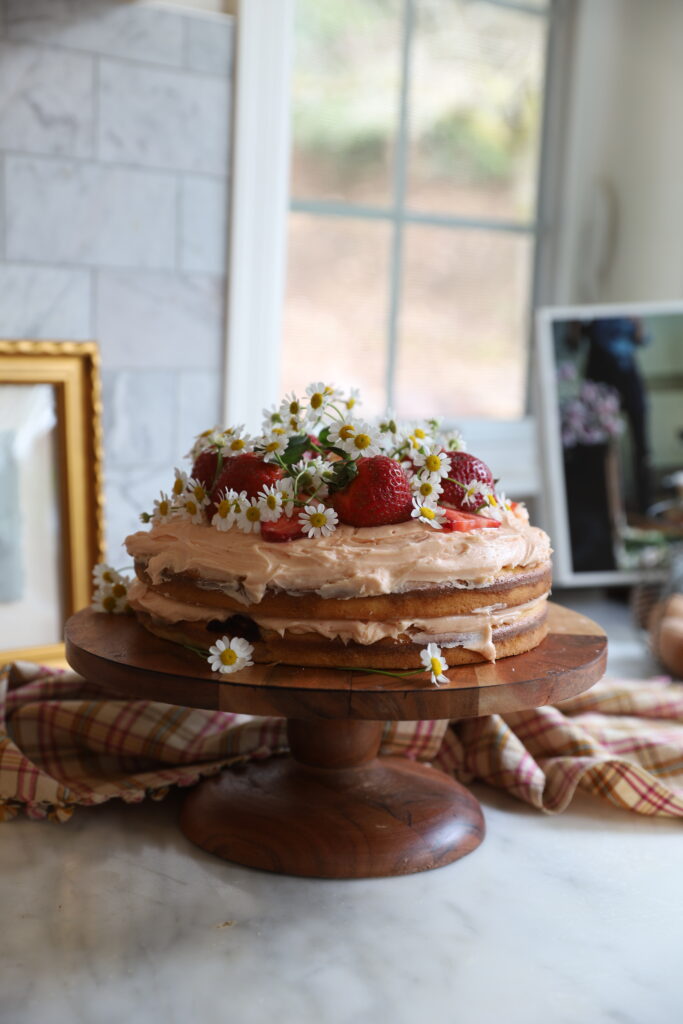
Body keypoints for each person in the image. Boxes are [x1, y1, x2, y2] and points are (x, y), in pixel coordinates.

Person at [582, 317, 651, 514]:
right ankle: (602, 507)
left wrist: (636, 321)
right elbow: (573, 341)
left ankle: (645, 504)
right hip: (599, 375)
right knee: (600, 449)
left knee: (642, 444)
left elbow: (644, 338)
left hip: (628, 372)